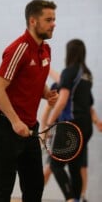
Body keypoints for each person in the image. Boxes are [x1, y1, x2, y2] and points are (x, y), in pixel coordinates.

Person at [0, 0, 58, 202]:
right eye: (48, 19)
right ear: (33, 21)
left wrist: (47, 94)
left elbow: (34, 81)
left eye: (54, 19)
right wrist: (15, 121)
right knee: (3, 188)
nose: (53, 23)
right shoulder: (18, 49)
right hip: (5, 124)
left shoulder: (46, 50)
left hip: (30, 127)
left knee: (35, 186)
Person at [46, 42, 102, 202]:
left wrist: (50, 122)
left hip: (71, 125)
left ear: (69, 52)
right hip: (85, 127)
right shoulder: (87, 74)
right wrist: (96, 121)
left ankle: (70, 199)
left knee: (56, 166)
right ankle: (76, 198)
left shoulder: (69, 71)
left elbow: (62, 99)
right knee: (75, 167)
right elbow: (88, 103)